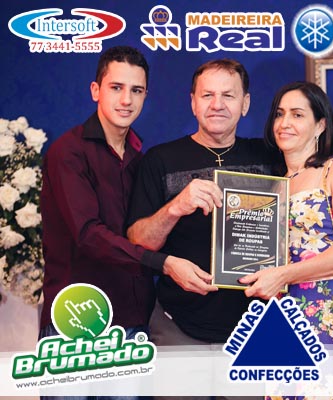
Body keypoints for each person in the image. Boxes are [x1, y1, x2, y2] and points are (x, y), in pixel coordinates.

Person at [126, 60, 333, 352]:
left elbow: (313, 163)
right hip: (178, 322)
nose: (217, 105)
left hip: (260, 324)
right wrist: (176, 207)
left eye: (228, 95)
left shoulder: (271, 156)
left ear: (245, 104)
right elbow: (137, 241)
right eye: (207, 95)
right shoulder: (159, 159)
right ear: (192, 102)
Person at [39, 46, 200, 400]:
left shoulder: (141, 159)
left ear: (145, 96)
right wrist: (164, 264)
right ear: (96, 90)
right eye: (116, 87)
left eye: (136, 90)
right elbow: (88, 235)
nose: (126, 99)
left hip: (131, 321)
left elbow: (148, 232)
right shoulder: (69, 152)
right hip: (76, 321)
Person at [239, 81, 333, 349]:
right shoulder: (274, 181)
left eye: (297, 115)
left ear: (320, 125)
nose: (284, 123)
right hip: (283, 310)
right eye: (279, 114)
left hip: (329, 308)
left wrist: (284, 275)